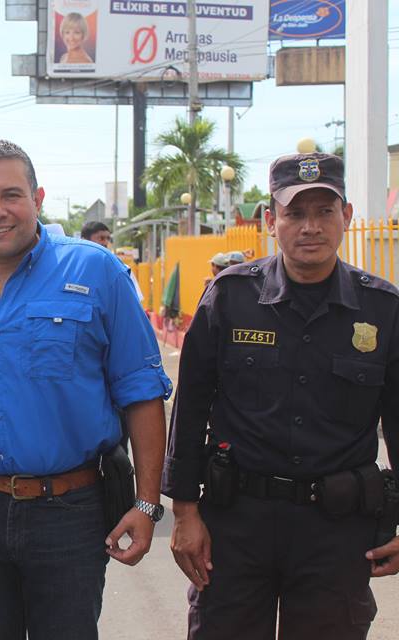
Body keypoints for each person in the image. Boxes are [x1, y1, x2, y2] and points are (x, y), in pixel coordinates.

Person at [0, 140, 172, 639]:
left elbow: (141, 391)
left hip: (68, 510)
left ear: (38, 198)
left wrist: (146, 503)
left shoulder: (97, 271)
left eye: (12, 194)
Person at [164, 152, 399, 639]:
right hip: (237, 526)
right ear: (271, 221)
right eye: (295, 213)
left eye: (324, 212)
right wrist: (184, 513)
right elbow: (189, 415)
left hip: (336, 530)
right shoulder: (229, 298)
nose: (310, 227)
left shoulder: (383, 308)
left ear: (347, 217)